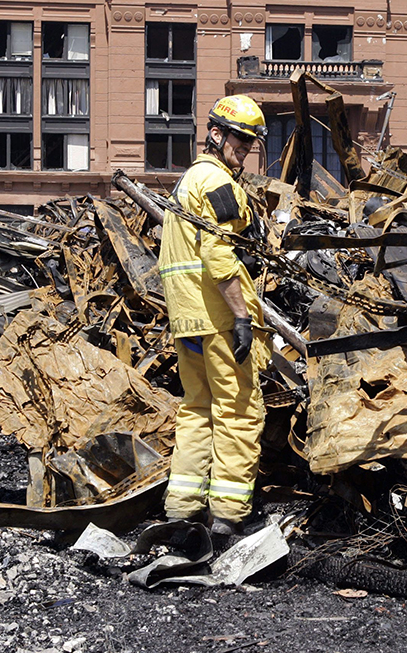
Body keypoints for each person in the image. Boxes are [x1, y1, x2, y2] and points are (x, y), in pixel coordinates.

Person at [158, 94, 271, 536]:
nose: (243, 149)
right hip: (220, 319)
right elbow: (217, 253)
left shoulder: (186, 182)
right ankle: (227, 514)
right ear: (216, 134)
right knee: (239, 410)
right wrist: (241, 316)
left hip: (186, 320)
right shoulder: (217, 183)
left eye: (250, 143)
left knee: (196, 410)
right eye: (239, 139)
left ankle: (182, 508)